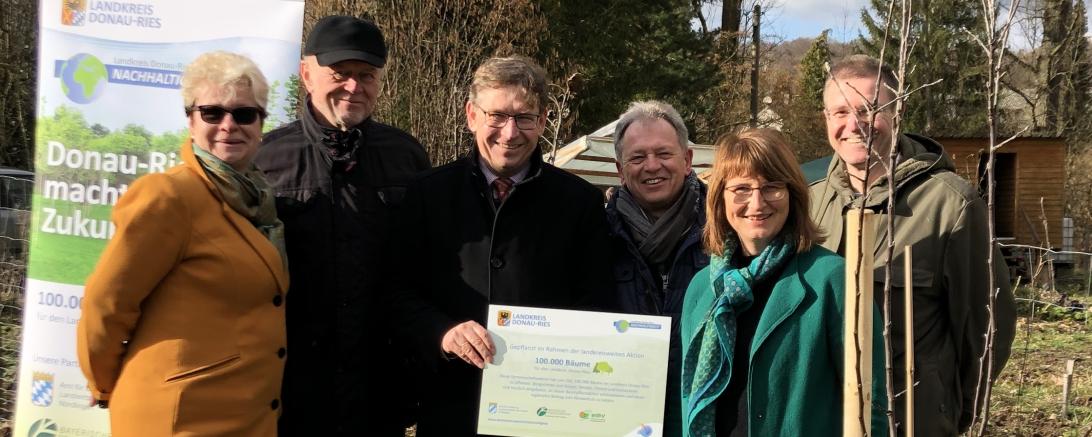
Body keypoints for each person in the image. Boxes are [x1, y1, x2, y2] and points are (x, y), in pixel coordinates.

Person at [389, 55, 613, 436]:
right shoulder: (427, 194)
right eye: (496, 116)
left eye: (524, 117)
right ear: (472, 116)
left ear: (542, 121)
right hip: (450, 408)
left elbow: (595, 303)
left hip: (546, 414)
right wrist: (441, 332)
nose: (510, 133)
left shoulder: (580, 203)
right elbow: (396, 291)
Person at [77, 51, 288, 436]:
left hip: (242, 415)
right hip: (179, 417)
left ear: (261, 124)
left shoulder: (260, 205)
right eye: (212, 113)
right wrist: (105, 385)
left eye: (244, 114)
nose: (229, 125)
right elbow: (107, 302)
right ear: (190, 121)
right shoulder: (169, 196)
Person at [809, 54, 1017, 435]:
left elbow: (987, 331)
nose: (853, 124)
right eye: (839, 112)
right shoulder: (810, 204)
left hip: (909, 421)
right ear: (825, 118)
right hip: (822, 418)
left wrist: (946, 411)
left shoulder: (952, 205)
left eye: (870, 108)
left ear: (898, 110)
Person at [253, 15, 430, 437]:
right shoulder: (265, 160)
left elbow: (425, 266)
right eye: (341, 74)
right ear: (306, 74)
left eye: (366, 75)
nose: (353, 86)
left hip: (378, 391)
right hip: (288, 390)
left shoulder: (407, 157)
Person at [680, 129, 887, 436]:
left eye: (772, 187)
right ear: (720, 199)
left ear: (793, 193)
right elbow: (685, 399)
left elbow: (872, 407)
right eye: (741, 189)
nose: (757, 202)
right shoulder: (701, 288)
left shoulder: (834, 280)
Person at [606, 100, 707, 436]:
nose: (652, 166)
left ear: (687, 160)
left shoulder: (727, 228)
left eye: (664, 154)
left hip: (704, 415)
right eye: (637, 157)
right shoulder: (593, 236)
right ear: (620, 170)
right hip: (619, 415)